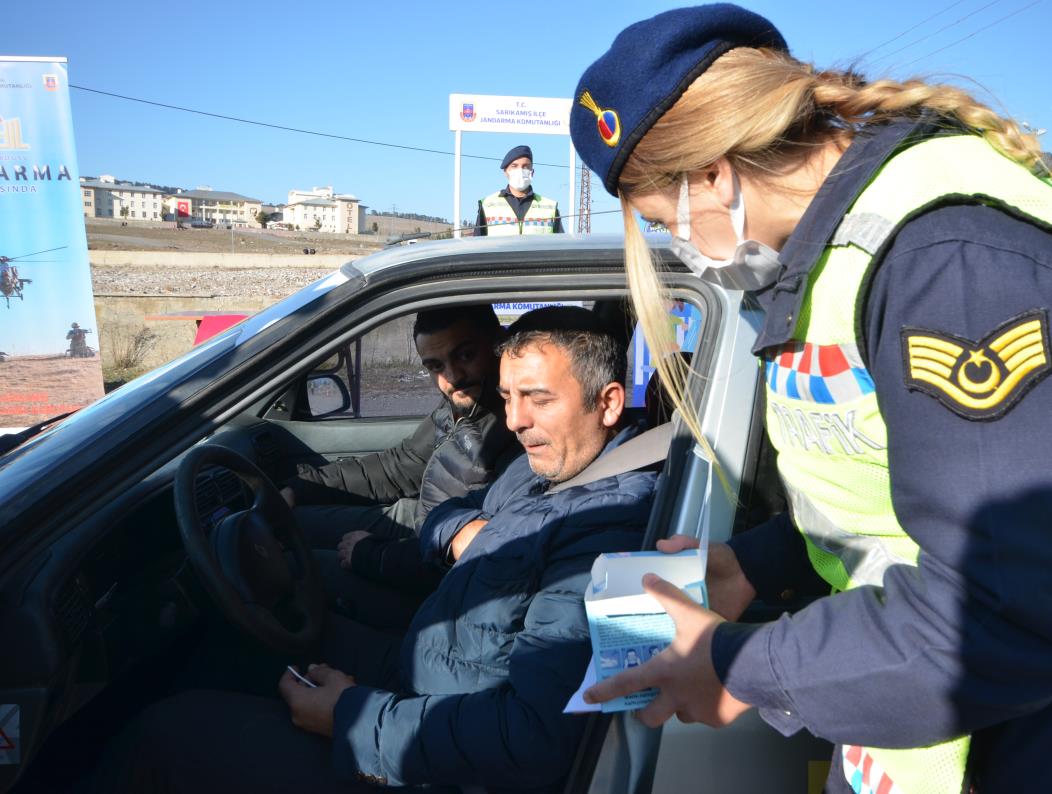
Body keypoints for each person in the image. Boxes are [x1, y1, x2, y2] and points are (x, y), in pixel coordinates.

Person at [568, 5, 1052, 793]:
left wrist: (739, 666)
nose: (685, 247)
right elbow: (910, 482)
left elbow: (1011, 609)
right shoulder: (847, 253)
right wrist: (758, 564)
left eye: (668, 223)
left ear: (714, 177)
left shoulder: (957, 266)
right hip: (935, 743)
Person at [91, 306, 660, 793]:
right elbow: (447, 512)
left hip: (437, 751)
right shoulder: (544, 471)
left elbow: (536, 741)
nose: (514, 420)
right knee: (234, 643)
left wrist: (351, 716)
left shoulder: (619, 541)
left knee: (166, 733)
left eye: (537, 399)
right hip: (427, 663)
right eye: (509, 396)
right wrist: (457, 532)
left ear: (608, 403)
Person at [284, 304, 521, 629]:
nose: (452, 377)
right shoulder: (461, 408)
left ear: (497, 343)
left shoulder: (520, 429)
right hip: (422, 525)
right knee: (288, 523)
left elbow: (478, 550)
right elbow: (400, 466)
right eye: (435, 366)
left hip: (438, 577)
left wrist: (372, 555)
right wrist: (301, 487)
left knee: (296, 568)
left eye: (465, 355)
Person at [474, 144, 564, 236]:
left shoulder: (550, 207)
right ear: (506, 171)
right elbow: (477, 242)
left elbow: (561, 243)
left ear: (532, 172)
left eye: (525, 166)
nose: (520, 170)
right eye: (514, 166)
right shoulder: (487, 204)